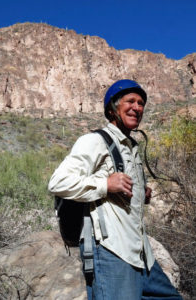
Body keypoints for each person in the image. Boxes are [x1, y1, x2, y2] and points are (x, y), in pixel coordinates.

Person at [48, 79, 183, 300]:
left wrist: (141, 192)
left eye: (141, 103)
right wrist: (105, 185)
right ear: (112, 108)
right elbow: (58, 182)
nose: (137, 108)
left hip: (142, 255)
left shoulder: (131, 147)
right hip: (112, 253)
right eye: (130, 101)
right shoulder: (94, 140)